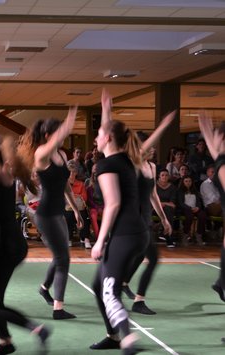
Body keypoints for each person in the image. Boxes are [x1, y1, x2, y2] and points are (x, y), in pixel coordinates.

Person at [0, 109, 49, 355]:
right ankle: (5, 341)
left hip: (4, 248)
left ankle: (33, 330)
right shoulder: (6, 174)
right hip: (15, 246)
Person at [88, 91, 147, 353]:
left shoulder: (106, 165)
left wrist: (99, 241)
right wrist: (106, 110)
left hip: (124, 234)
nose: (95, 138)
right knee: (98, 285)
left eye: (99, 134)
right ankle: (113, 336)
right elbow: (112, 134)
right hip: (138, 234)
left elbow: (112, 203)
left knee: (109, 290)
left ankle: (127, 336)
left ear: (108, 138)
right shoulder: (126, 160)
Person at [16, 106, 82, 320]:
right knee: (63, 258)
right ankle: (58, 308)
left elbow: (66, 187)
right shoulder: (41, 154)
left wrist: (75, 210)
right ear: (47, 136)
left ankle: (45, 288)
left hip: (58, 212)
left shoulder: (62, 154)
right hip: (44, 214)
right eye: (60, 132)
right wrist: (71, 117)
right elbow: (59, 135)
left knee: (61, 254)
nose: (64, 136)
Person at [118, 111, 175, 316]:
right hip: (133, 218)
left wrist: (163, 217)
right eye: (149, 146)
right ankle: (137, 299)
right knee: (151, 257)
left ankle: (123, 284)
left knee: (141, 254)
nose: (152, 150)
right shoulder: (132, 164)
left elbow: (153, 195)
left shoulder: (151, 166)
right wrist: (163, 126)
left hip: (144, 217)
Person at [198, 114, 225, 343]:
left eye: (216, 135)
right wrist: (206, 131)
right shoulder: (221, 160)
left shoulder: (224, 166)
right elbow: (216, 153)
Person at [177, 175, 207, 246]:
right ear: (183, 182)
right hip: (185, 209)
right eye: (186, 181)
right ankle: (185, 235)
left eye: (189, 181)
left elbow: (199, 202)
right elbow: (181, 203)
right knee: (189, 217)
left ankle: (199, 234)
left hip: (195, 208)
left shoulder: (195, 191)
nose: (188, 183)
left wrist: (198, 207)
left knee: (202, 215)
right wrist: (190, 208)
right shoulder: (179, 191)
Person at [156, 169, 178, 247]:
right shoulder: (154, 185)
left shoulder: (172, 187)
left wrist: (163, 203)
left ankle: (165, 234)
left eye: (166, 175)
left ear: (169, 176)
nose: (164, 177)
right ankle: (168, 237)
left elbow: (173, 204)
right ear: (159, 176)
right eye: (162, 175)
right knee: (166, 210)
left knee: (168, 210)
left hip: (167, 208)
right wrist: (159, 204)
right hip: (154, 208)